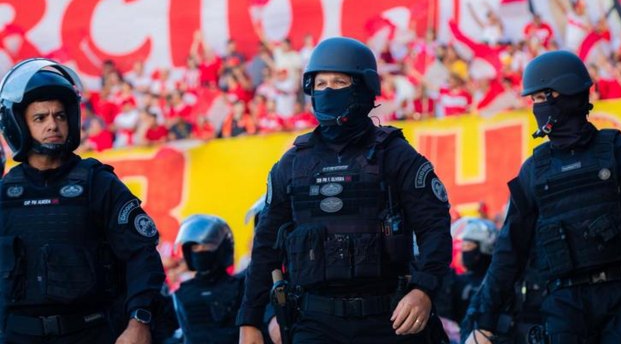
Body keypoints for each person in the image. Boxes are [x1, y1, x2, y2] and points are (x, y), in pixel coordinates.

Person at [237, 37, 452, 343]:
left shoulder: (395, 155)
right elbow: (265, 249)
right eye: (320, 83)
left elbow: (435, 229)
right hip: (315, 323)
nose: (327, 90)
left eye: (338, 81)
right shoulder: (292, 164)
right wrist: (250, 320)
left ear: (363, 88)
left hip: (388, 319)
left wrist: (423, 290)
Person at [463, 51, 621, 344]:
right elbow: (509, 250)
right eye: (534, 100)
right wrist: (483, 319)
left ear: (566, 94)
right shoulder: (533, 171)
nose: (536, 107)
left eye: (543, 97)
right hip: (566, 307)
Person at [0, 58, 165, 343]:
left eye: (60, 116)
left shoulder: (98, 183)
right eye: (40, 118)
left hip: (89, 332)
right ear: (19, 125)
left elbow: (142, 255)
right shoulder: (5, 192)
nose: (53, 124)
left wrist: (139, 320)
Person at [172, 214, 244, 344]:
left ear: (222, 248)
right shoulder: (180, 295)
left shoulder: (242, 288)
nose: (200, 252)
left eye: (207, 246)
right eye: (195, 247)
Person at [436, 219, 498, 325]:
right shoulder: (456, 281)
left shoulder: (496, 281)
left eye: (469, 246)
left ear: (485, 248)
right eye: (463, 246)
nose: (464, 252)